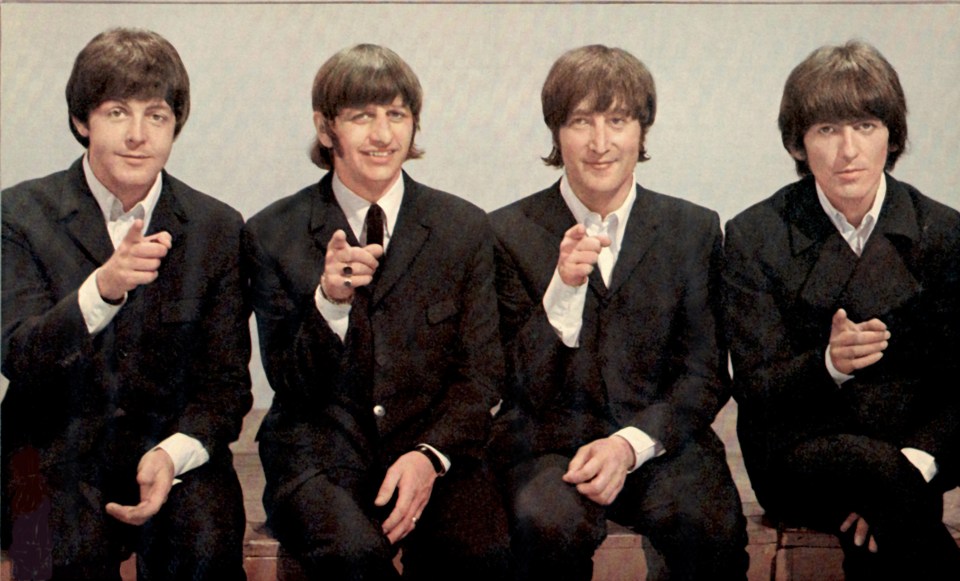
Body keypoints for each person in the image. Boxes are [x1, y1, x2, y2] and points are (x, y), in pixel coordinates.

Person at [243, 44, 511, 579]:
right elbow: (289, 384)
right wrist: (330, 305)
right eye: (362, 116)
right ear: (325, 129)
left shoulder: (464, 228)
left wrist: (429, 455)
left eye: (396, 115)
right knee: (354, 557)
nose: (383, 135)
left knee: (483, 553)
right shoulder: (272, 233)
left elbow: (482, 374)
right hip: (317, 457)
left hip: (435, 446)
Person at [1, 28, 252, 580]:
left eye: (156, 116)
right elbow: (18, 356)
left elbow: (227, 385)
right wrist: (101, 291)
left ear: (174, 127)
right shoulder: (17, 214)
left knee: (207, 547)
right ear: (81, 121)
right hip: (45, 455)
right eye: (117, 113)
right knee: (57, 561)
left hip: (168, 449)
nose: (138, 135)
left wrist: (173, 454)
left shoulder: (217, 228)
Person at [490, 44, 748, 580]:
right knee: (544, 527)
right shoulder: (505, 232)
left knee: (710, 527)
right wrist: (562, 290)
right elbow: (514, 384)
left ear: (642, 131)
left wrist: (629, 446)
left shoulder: (693, 229)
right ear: (557, 134)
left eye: (618, 120)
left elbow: (703, 375)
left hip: (661, 442)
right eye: (581, 121)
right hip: (548, 449)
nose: (601, 143)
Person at [723, 40, 960, 579]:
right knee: (870, 470)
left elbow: (958, 387)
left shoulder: (944, 234)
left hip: (910, 455)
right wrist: (828, 365)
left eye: (866, 127)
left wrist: (914, 468)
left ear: (892, 136)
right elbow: (755, 389)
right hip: (797, 457)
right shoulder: (755, 235)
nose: (847, 150)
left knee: (887, 495)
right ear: (800, 143)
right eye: (827, 130)